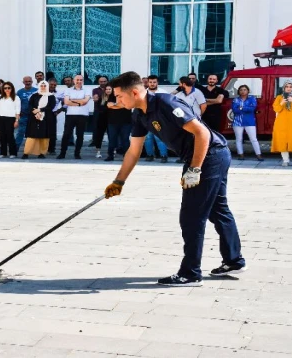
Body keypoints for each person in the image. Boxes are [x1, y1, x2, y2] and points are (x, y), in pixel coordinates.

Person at [105, 71, 245, 287]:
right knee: (218, 210)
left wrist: (194, 169)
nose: (117, 101)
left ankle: (190, 273)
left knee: (191, 215)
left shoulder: (165, 102)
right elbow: (133, 151)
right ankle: (233, 260)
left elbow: (202, 133)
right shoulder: (139, 114)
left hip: (209, 154)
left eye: (120, 96)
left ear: (134, 92)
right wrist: (118, 182)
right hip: (209, 154)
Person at [271, 80, 292, 167]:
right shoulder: (279, 97)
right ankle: (285, 160)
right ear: (284, 88)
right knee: (282, 141)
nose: (289, 89)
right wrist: (281, 103)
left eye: (290, 87)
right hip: (281, 123)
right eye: (287, 87)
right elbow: (276, 109)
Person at [58, 75, 91, 159]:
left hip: (83, 115)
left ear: (83, 81)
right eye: (77, 80)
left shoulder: (87, 90)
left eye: (81, 80)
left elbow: (85, 101)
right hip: (70, 115)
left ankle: (77, 153)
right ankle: (62, 153)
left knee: (80, 135)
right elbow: (66, 102)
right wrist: (80, 102)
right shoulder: (68, 90)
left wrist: (72, 101)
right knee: (66, 135)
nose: (79, 81)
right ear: (74, 81)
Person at [23, 80, 55, 159]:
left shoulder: (51, 96)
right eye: (41, 86)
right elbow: (30, 105)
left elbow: (51, 107)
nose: (43, 87)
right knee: (31, 135)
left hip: (46, 118)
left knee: (44, 136)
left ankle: (42, 153)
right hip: (34, 118)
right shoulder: (34, 95)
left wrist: (40, 110)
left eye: (44, 86)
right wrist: (36, 112)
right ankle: (26, 153)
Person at [231, 85, 262, 161]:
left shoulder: (252, 98)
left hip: (249, 122)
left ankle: (259, 155)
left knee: (253, 139)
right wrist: (245, 108)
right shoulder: (236, 99)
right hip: (237, 122)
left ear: (248, 91)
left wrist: (241, 107)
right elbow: (235, 110)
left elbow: (252, 109)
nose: (243, 91)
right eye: (241, 90)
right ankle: (241, 155)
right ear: (238, 91)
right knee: (239, 139)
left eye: (245, 90)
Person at [103, 86, 132, 162]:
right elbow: (109, 105)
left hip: (126, 122)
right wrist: (121, 105)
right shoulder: (111, 96)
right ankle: (110, 155)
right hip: (112, 122)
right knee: (112, 140)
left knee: (125, 140)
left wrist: (115, 105)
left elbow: (127, 106)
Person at [145, 75, 169, 163]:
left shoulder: (163, 92)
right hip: (147, 119)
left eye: (154, 82)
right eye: (150, 82)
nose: (152, 84)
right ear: (147, 83)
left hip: (159, 119)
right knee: (148, 138)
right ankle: (149, 155)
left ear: (157, 83)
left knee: (159, 137)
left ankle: (164, 155)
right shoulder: (143, 93)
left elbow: (168, 105)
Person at [0, 82, 21, 158]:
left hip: (10, 118)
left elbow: (18, 110)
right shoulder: (0, 98)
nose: (7, 89)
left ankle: (13, 153)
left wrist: (16, 120)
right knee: (2, 136)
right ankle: (3, 153)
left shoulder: (16, 98)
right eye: (5, 88)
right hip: (0, 118)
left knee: (10, 136)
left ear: (12, 88)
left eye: (9, 88)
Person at [15, 76, 37, 148]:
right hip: (23, 116)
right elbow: (17, 103)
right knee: (20, 133)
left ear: (32, 82)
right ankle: (15, 150)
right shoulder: (19, 92)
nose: (28, 83)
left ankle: (32, 150)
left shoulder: (37, 91)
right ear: (23, 82)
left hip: (34, 117)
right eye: (26, 81)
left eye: (29, 81)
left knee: (33, 134)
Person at [91, 76, 109, 158]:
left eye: (104, 81)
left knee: (111, 132)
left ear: (107, 81)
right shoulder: (95, 90)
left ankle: (113, 150)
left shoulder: (110, 90)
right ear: (98, 82)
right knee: (98, 132)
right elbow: (95, 99)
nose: (102, 83)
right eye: (101, 81)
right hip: (99, 112)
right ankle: (97, 149)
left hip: (110, 114)